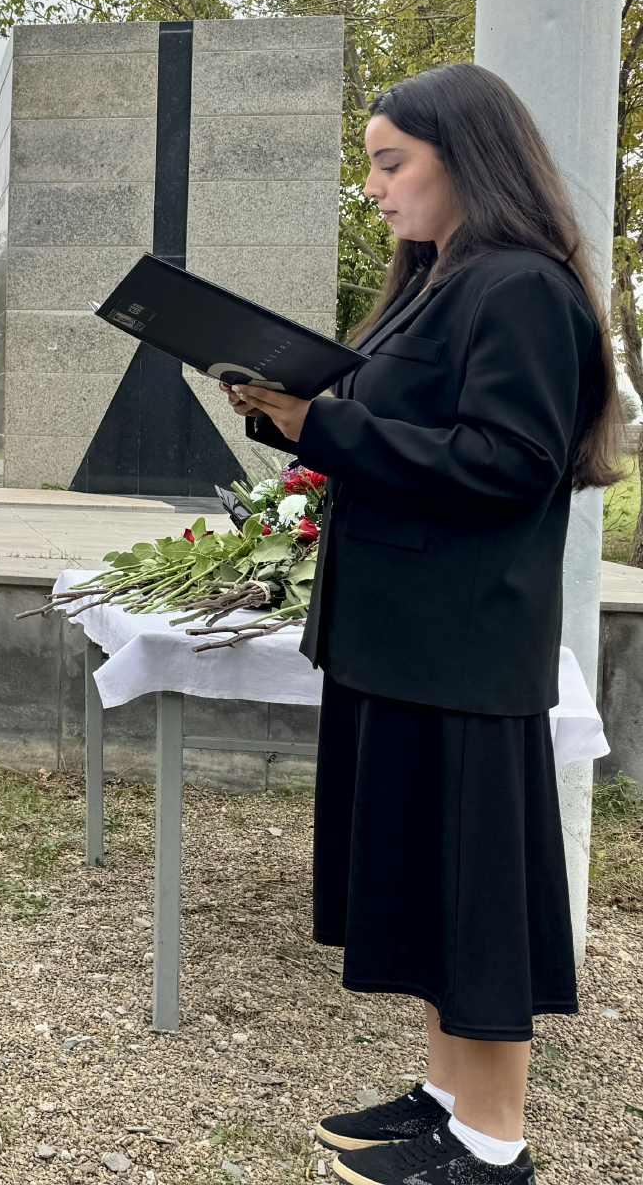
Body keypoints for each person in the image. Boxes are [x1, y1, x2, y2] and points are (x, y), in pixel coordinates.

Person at [225, 64, 620, 1185]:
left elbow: (508, 465)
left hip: (459, 646)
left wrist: (327, 425)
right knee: (427, 887)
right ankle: (447, 1099)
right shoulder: (438, 282)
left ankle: (491, 1146)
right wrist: (293, 417)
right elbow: (397, 432)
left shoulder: (519, 288)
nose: (374, 187)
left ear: (466, 157)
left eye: (389, 162)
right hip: (402, 638)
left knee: (473, 896)